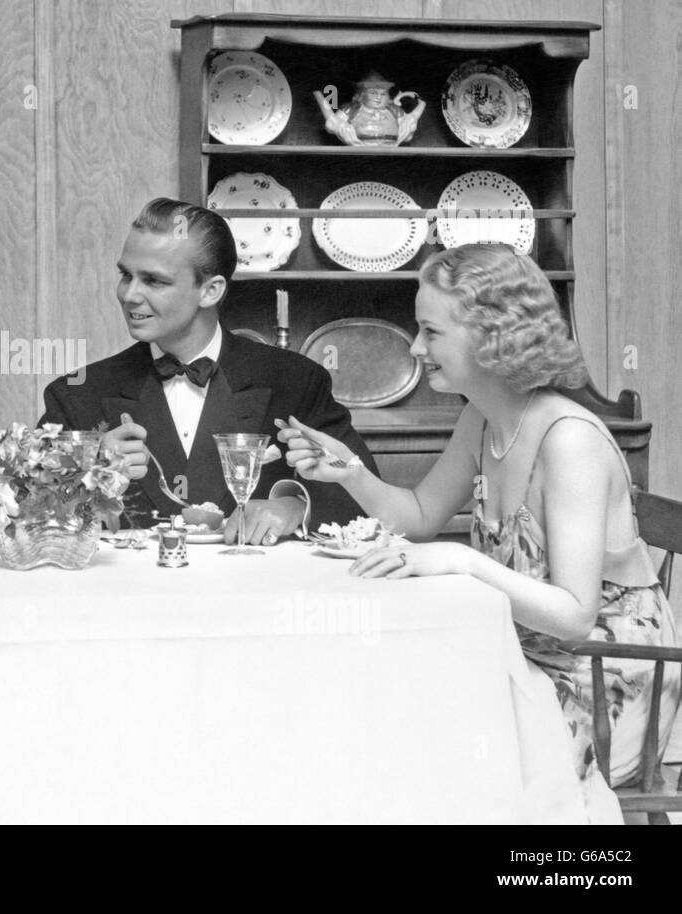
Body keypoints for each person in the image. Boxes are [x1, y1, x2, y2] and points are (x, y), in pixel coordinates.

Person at [279, 243, 680, 809]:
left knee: (425, 745)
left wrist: (465, 561)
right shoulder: (482, 416)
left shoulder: (569, 441)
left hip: (603, 677)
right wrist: (345, 472)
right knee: (371, 698)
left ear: (493, 334)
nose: (416, 349)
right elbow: (417, 517)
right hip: (523, 655)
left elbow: (574, 615)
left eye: (431, 332)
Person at [40, 197, 375, 538]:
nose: (129, 294)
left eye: (154, 281)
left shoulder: (297, 382)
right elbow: (23, 517)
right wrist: (88, 475)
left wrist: (295, 507)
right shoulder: (77, 393)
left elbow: (368, 498)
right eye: (126, 275)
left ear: (211, 290)